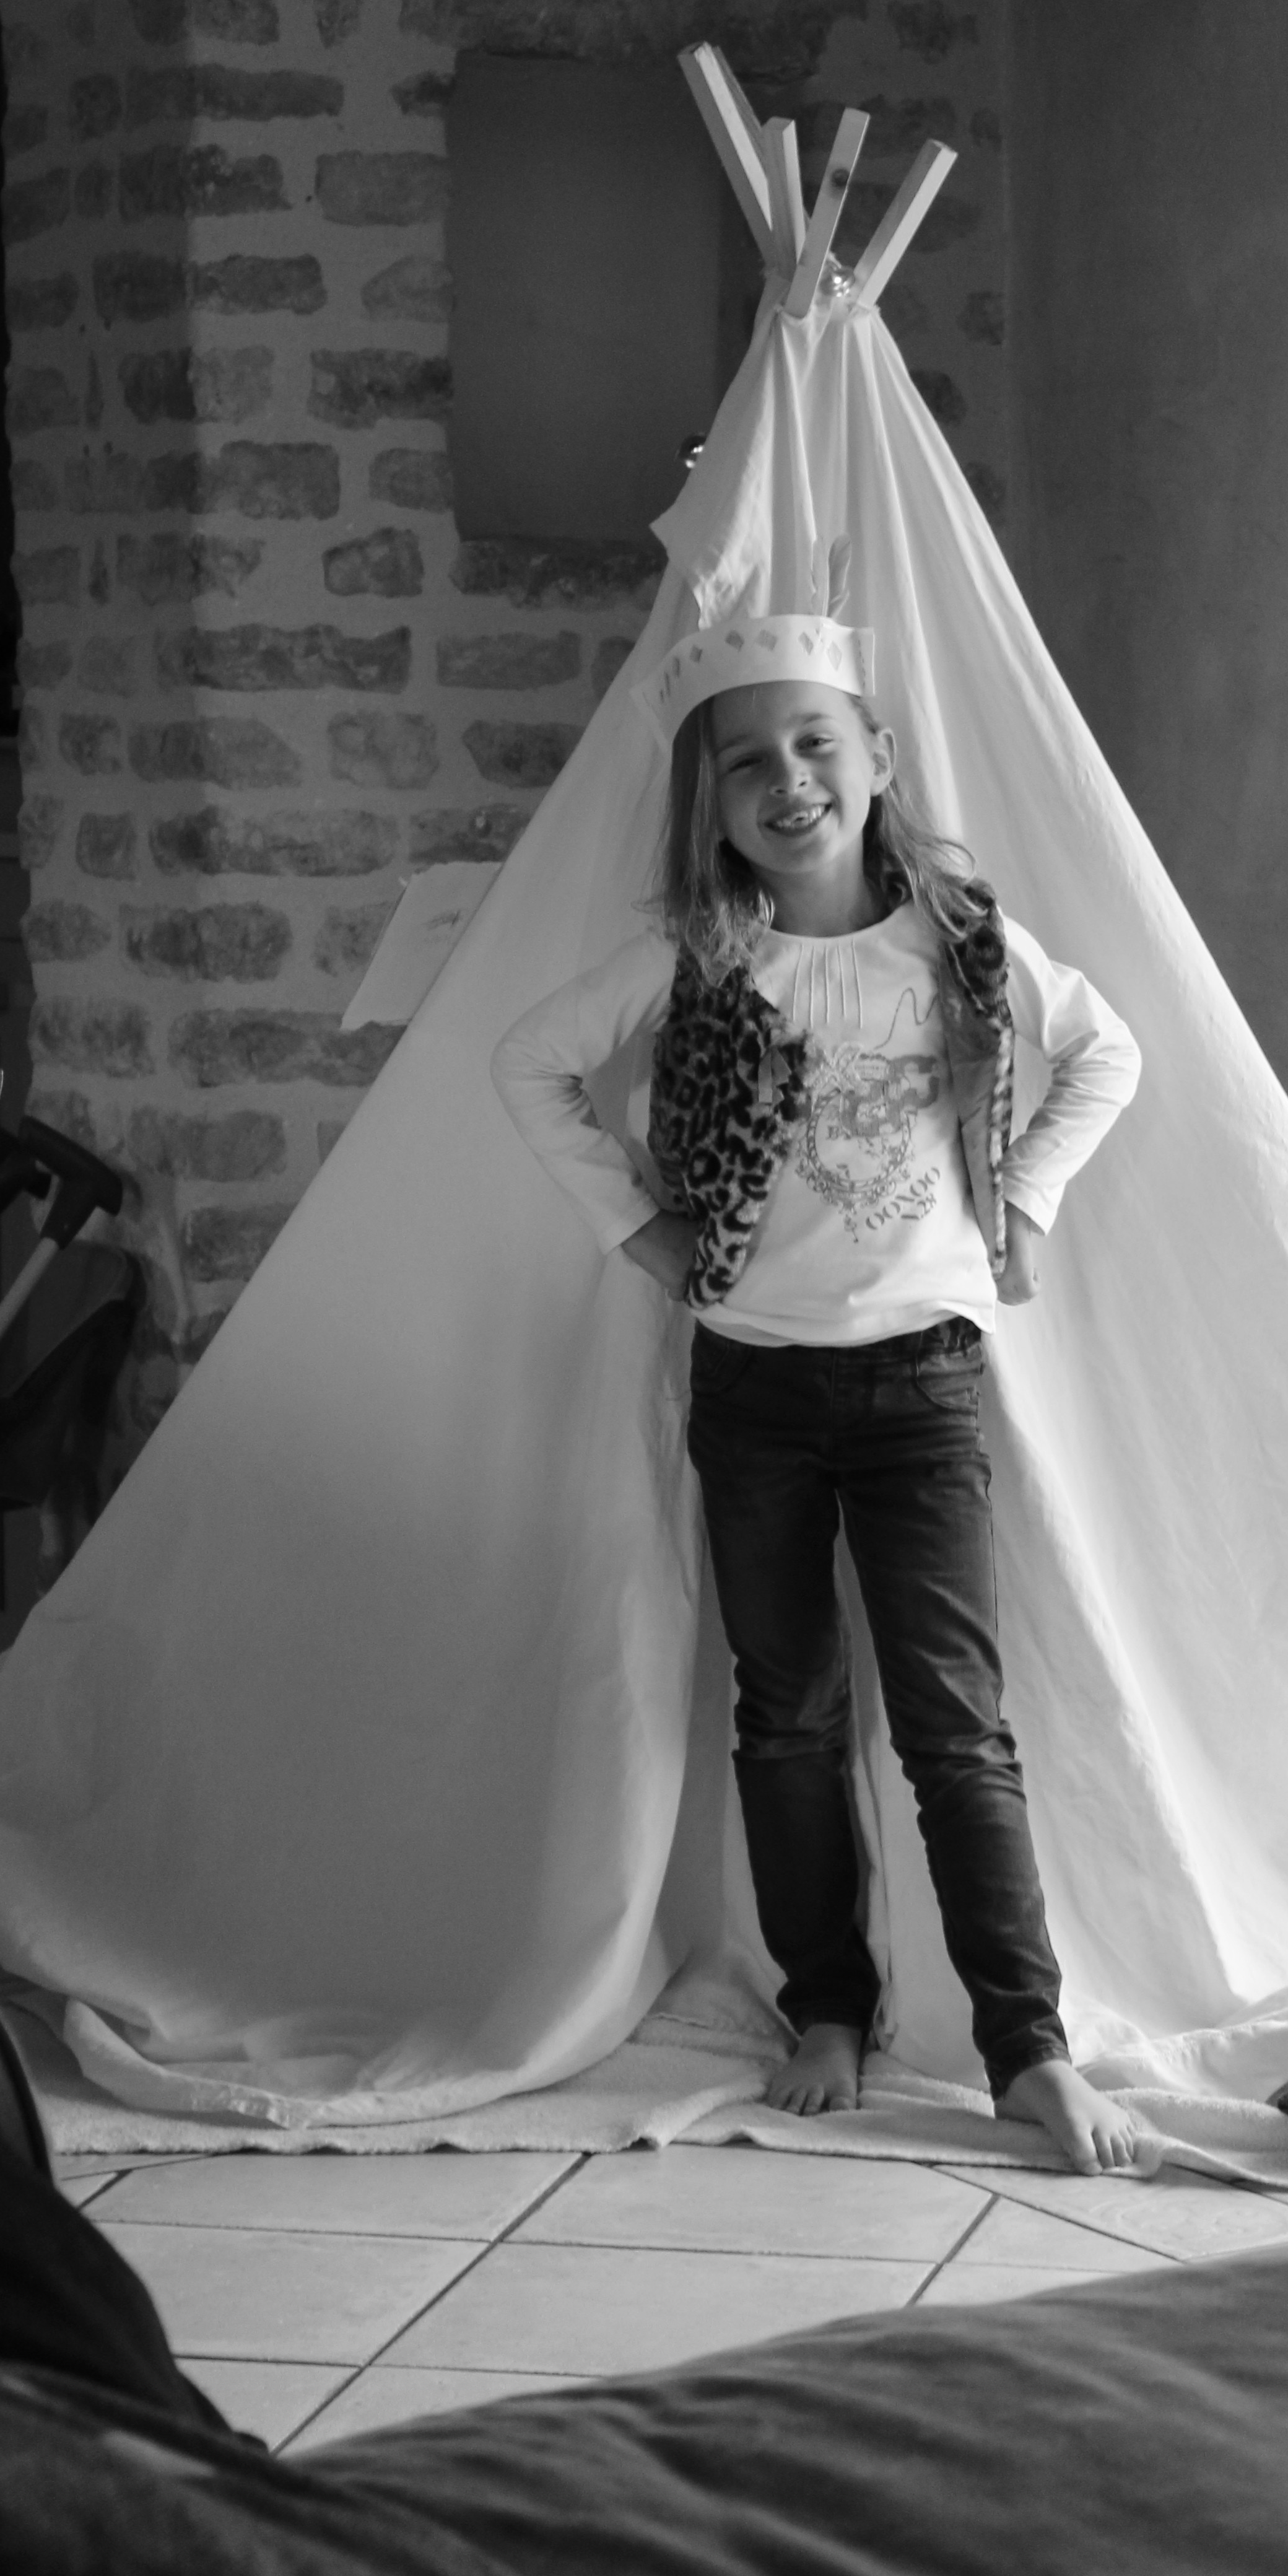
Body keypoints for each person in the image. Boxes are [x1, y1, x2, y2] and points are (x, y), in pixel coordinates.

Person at [492, 601, 1142, 2173]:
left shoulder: (955, 940)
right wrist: (640, 1230)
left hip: (921, 1386)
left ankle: (1028, 2052)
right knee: (783, 1715)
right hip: (757, 1390)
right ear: (709, 804)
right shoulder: (700, 958)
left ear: (875, 758)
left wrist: (1024, 1203)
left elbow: (1104, 1053)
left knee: (954, 1726)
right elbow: (529, 1063)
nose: (785, 781)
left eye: (813, 744)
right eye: (745, 763)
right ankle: (826, 2009)